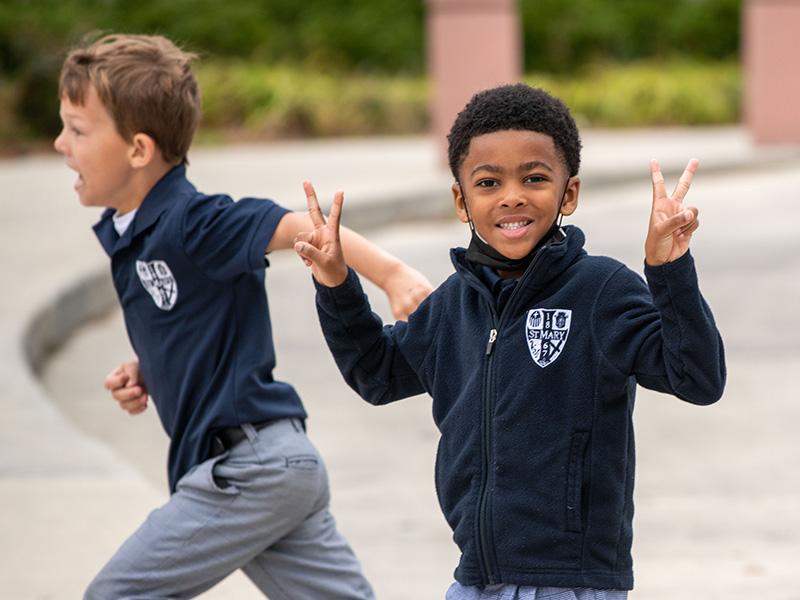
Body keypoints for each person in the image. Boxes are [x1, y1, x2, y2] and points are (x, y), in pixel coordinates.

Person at [294, 83, 726, 599]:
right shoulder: (454, 304)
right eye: (488, 182)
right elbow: (377, 374)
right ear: (462, 199)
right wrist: (337, 285)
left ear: (569, 193)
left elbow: (697, 378)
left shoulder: (601, 291)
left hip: (573, 584)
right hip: (475, 579)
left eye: (535, 178)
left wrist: (668, 268)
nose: (512, 196)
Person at [53, 33, 431, 599]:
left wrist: (393, 276)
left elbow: (297, 226)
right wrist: (149, 365)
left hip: (247, 470)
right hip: (277, 466)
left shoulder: (194, 221)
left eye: (77, 130)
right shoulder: (134, 232)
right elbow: (190, 316)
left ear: (138, 149)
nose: (61, 144)